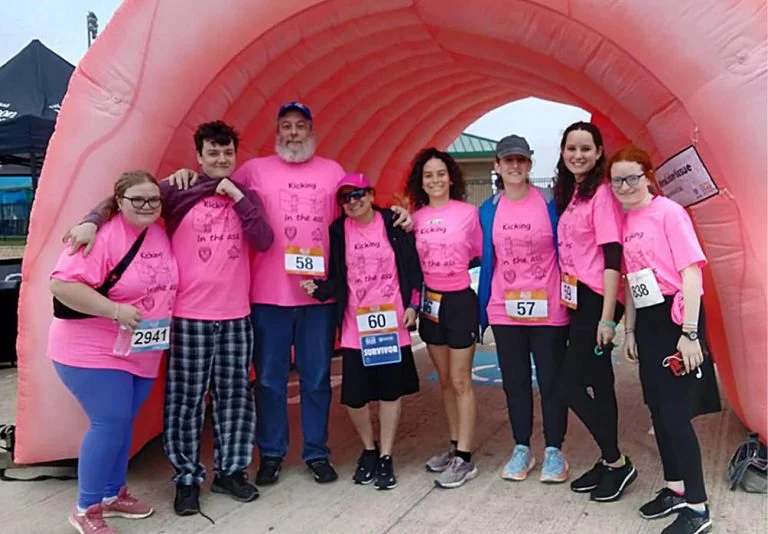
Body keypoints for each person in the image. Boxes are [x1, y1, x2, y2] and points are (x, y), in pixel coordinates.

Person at [166, 102, 412, 485]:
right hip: (267, 297)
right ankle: (272, 453)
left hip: (318, 299)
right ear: (277, 132)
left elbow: (358, 206)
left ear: (311, 130)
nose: (293, 132)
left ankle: (316, 452)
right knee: (268, 380)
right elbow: (213, 185)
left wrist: (395, 215)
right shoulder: (252, 170)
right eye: (286, 126)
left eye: (300, 126)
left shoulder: (332, 171)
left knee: (315, 379)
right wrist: (185, 173)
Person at [62, 121, 274, 515]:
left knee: (235, 397)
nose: (221, 159)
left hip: (236, 314)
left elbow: (264, 239)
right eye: (213, 153)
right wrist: (91, 220)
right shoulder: (177, 189)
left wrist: (238, 197)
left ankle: (231, 471)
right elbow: (124, 197)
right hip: (188, 316)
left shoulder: (248, 194)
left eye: (227, 153)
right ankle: (188, 478)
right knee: (186, 400)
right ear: (199, 156)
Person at [49, 170, 179, 534]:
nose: (147, 205)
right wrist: (115, 311)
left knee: (123, 425)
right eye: (136, 199)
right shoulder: (100, 236)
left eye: (153, 199)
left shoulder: (158, 229)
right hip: (92, 348)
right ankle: (85, 507)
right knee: (109, 422)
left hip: (142, 347)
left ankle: (112, 493)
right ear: (117, 203)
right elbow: (61, 284)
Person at [610, 146, 720, 534]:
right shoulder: (626, 219)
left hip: (678, 315)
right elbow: (632, 278)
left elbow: (691, 273)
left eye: (631, 177)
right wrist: (630, 330)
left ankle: (698, 505)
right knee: (657, 409)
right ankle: (675, 489)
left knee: (675, 415)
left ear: (648, 176)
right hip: (650, 317)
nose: (624, 186)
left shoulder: (669, 213)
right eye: (617, 180)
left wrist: (690, 334)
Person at [299, 173, 422, 490]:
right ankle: (368, 448)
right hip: (357, 325)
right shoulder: (338, 231)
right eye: (347, 198)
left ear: (371, 194)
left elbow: (411, 266)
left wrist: (413, 304)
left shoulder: (392, 222)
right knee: (354, 397)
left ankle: (385, 455)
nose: (354, 202)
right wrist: (319, 289)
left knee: (389, 392)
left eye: (359, 195)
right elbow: (338, 276)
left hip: (391, 323)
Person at [477, 135, 569, 483]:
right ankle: (521, 447)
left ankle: (554, 450)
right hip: (505, 309)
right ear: (497, 166)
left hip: (548, 309)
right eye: (507, 161)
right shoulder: (489, 209)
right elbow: (480, 255)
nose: (514, 166)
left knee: (551, 381)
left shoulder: (550, 202)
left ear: (530, 163)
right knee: (515, 382)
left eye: (520, 160)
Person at [554, 121, 636, 502]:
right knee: (599, 382)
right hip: (578, 298)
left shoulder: (602, 194)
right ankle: (609, 463)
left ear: (599, 152)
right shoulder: (573, 193)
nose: (578, 155)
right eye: (571, 148)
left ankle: (617, 462)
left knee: (567, 384)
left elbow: (612, 255)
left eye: (586, 148)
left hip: (597, 299)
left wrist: (607, 317)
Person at [406, 147, 481, 489]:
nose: (435, 180)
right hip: (430, 304)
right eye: (428, 176)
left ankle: (466, 458)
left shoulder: (468, 213)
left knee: (461, 379)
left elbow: (484, 254)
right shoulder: (416, 217)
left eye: (440, 174)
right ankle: (454, 447)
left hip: (460, 301)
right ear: (421, 183)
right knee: (446, 381)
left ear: (450, 177)